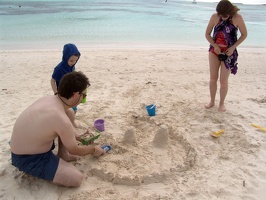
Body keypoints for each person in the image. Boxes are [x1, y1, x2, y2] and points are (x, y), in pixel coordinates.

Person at [11, 71, 106, 187]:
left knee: (70, 112)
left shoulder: (49, 99)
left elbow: (57, 125)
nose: (83, 99)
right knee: (76, 179)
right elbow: (74, 149)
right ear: (76, 95)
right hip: (28, 158)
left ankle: (62, 153)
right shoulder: (60, 118)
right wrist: (94, 149)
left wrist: (75, 136)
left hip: (26, 143)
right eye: (84, 96)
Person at [205, 0, 247, 112]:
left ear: (230, 12)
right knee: (213, 78)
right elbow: (207, 34)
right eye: (221, 15)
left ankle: (221, 103)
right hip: (215, 51)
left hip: (229, 53)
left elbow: (244, 34)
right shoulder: (214, 17)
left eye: (225, 16)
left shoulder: (237, 18)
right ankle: (212, 101)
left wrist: (233, 47)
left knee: (223, 81)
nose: (223, 18)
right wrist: (214, 45)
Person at [51, 43, 81, 126]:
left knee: (74, 109)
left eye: (76, 60)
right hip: (62, 93)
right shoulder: (59, 69)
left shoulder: (72, 66)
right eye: (71, 60)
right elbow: (52, 81)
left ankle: (72, 122)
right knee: (66, 110)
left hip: (71, 91)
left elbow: (72, 74)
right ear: (65, 57)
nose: (73, 62)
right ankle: (66, 123)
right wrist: (55, 92)